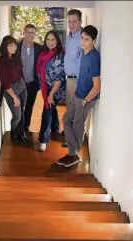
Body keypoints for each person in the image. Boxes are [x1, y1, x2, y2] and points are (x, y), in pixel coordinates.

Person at [56, 25, 101, 167]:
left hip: (86, 98)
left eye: (87, 39)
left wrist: (86, 100)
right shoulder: (83, 52)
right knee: (66, 119)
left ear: (93, 41)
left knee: (77, 124)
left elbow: (97, 85)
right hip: (78, 94)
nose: (83, 41)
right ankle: (73, 150)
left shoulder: (94, 57)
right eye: (82, 38)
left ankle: (73, 154)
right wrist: (76, 91)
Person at [36, 30, 66, 152]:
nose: (50, 42)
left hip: (56, 88)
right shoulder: (43, 54)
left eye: (53, 39)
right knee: (51, 109)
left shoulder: (60, 55)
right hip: (46, 87)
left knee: (47, 109)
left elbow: (60, 77)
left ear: (57, 41)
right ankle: (55, 130)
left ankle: (43, 140)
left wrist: (51, 94)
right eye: (48, 39)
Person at [0, 35, 28, 144]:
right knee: (17, 115)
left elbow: (21, 73)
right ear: (5, 46)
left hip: (21, 86)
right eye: (10, 45)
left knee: (22, 111)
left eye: (14, 44)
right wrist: (14, 97)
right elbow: (5, 82)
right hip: (10, 89)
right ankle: (13, 133)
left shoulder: (16, 57)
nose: (13, 47)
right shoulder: (1, 61)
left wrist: (24, 85)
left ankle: (21, 133)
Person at [62, 9, 82, 147]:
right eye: (69, 21)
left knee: (76, 116)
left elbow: (81, 63)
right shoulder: (69, 37)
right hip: (68, 80)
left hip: (77, 81)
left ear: (80, 22)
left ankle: (75, 146)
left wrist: (78, 85)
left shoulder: (82, 39)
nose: (72, 24)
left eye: (74, 21)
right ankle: (70, 141)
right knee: (70, 113)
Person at [17, 24, 42, 133]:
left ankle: (26, 127)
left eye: (32, 33)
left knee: (29, 106)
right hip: (19, 83)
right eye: (28, 32)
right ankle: (18, 129)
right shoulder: (16, 47)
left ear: (35, 34)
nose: (30, 35)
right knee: (18, 107)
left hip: (32, 83)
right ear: (24, 33)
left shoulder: (39, 48)